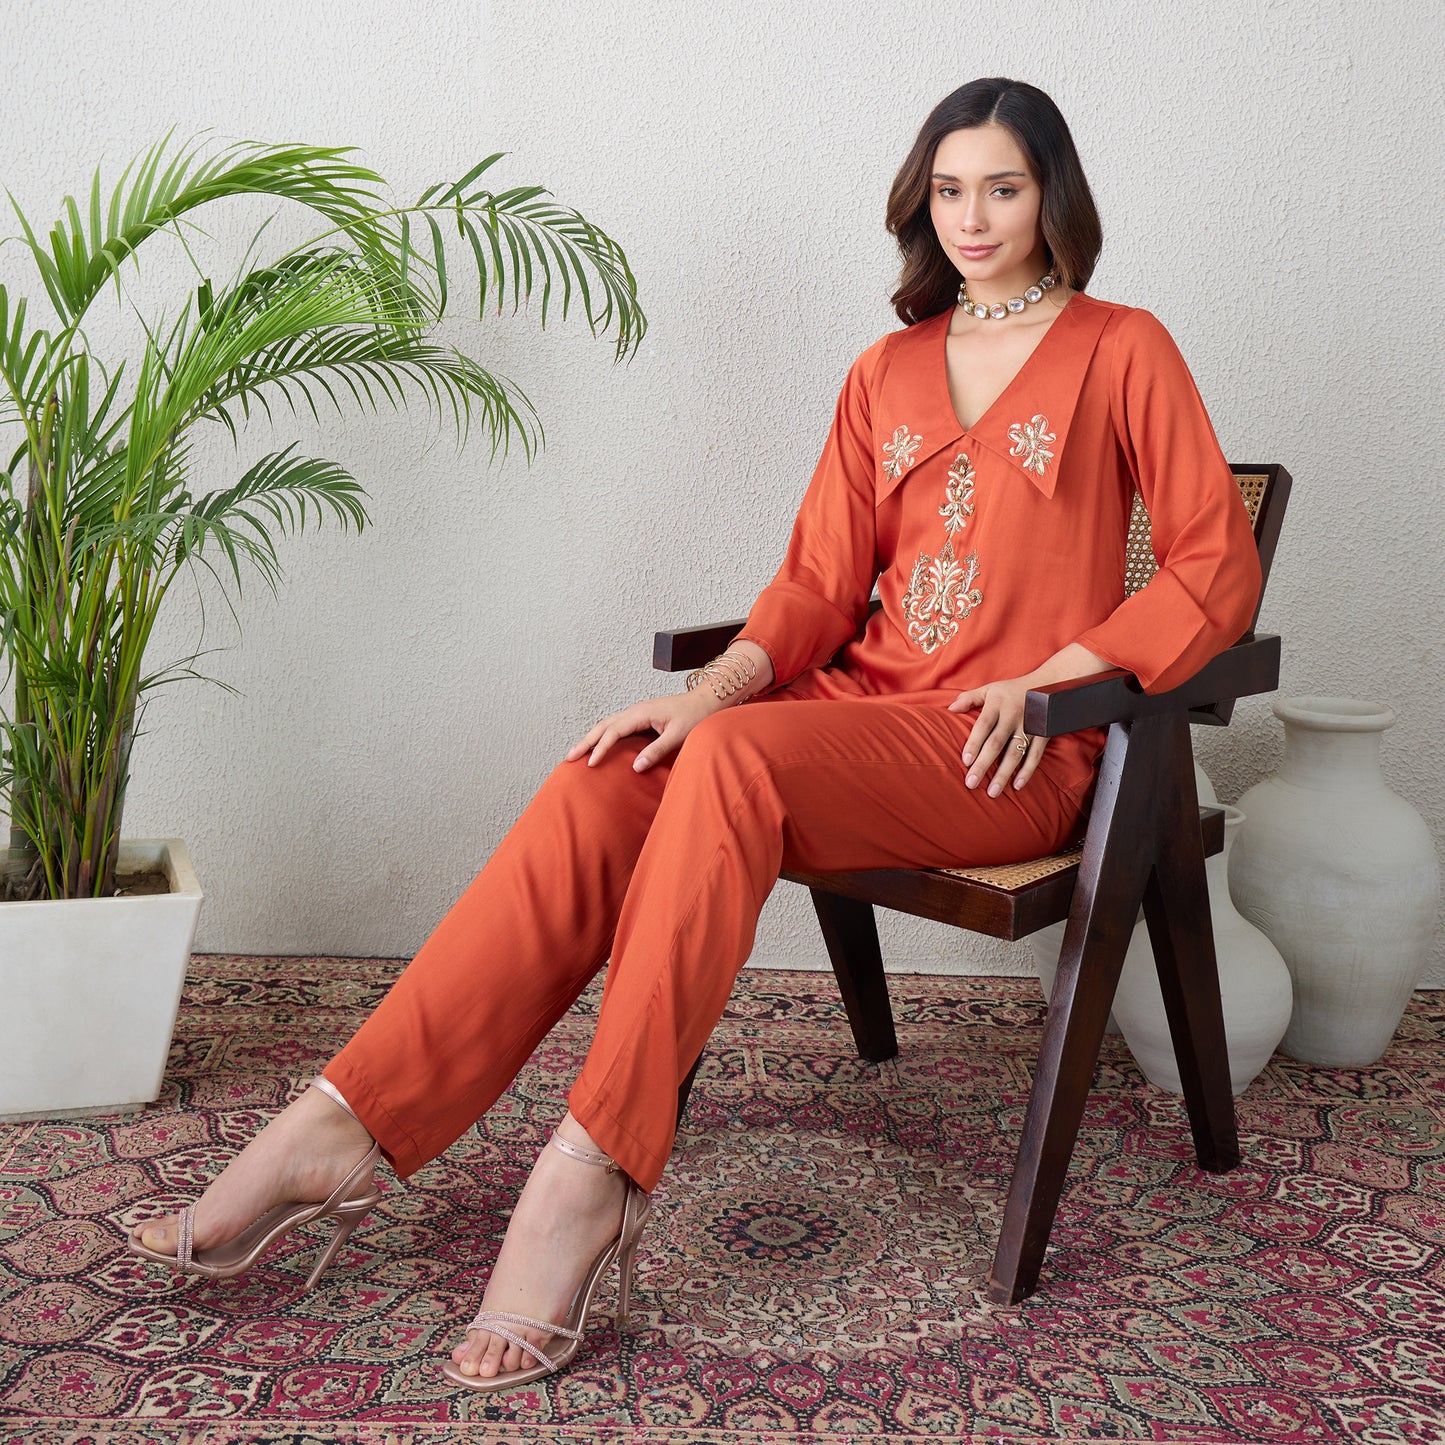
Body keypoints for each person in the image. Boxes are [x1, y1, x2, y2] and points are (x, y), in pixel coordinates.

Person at [128, 76, 1262, 1393]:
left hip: (1011, 750)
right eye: (947, 189)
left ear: (1051, 197)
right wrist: (709, 690)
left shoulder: (1123, 348)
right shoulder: (883, 369)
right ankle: (346, 1120)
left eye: (1000, 188)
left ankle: (594, 1169)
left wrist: (1069, 670)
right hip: (857, 719)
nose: (971, 216)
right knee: (615, 769)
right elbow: (817, 588)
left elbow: (1208, 565)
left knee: (725, 763)